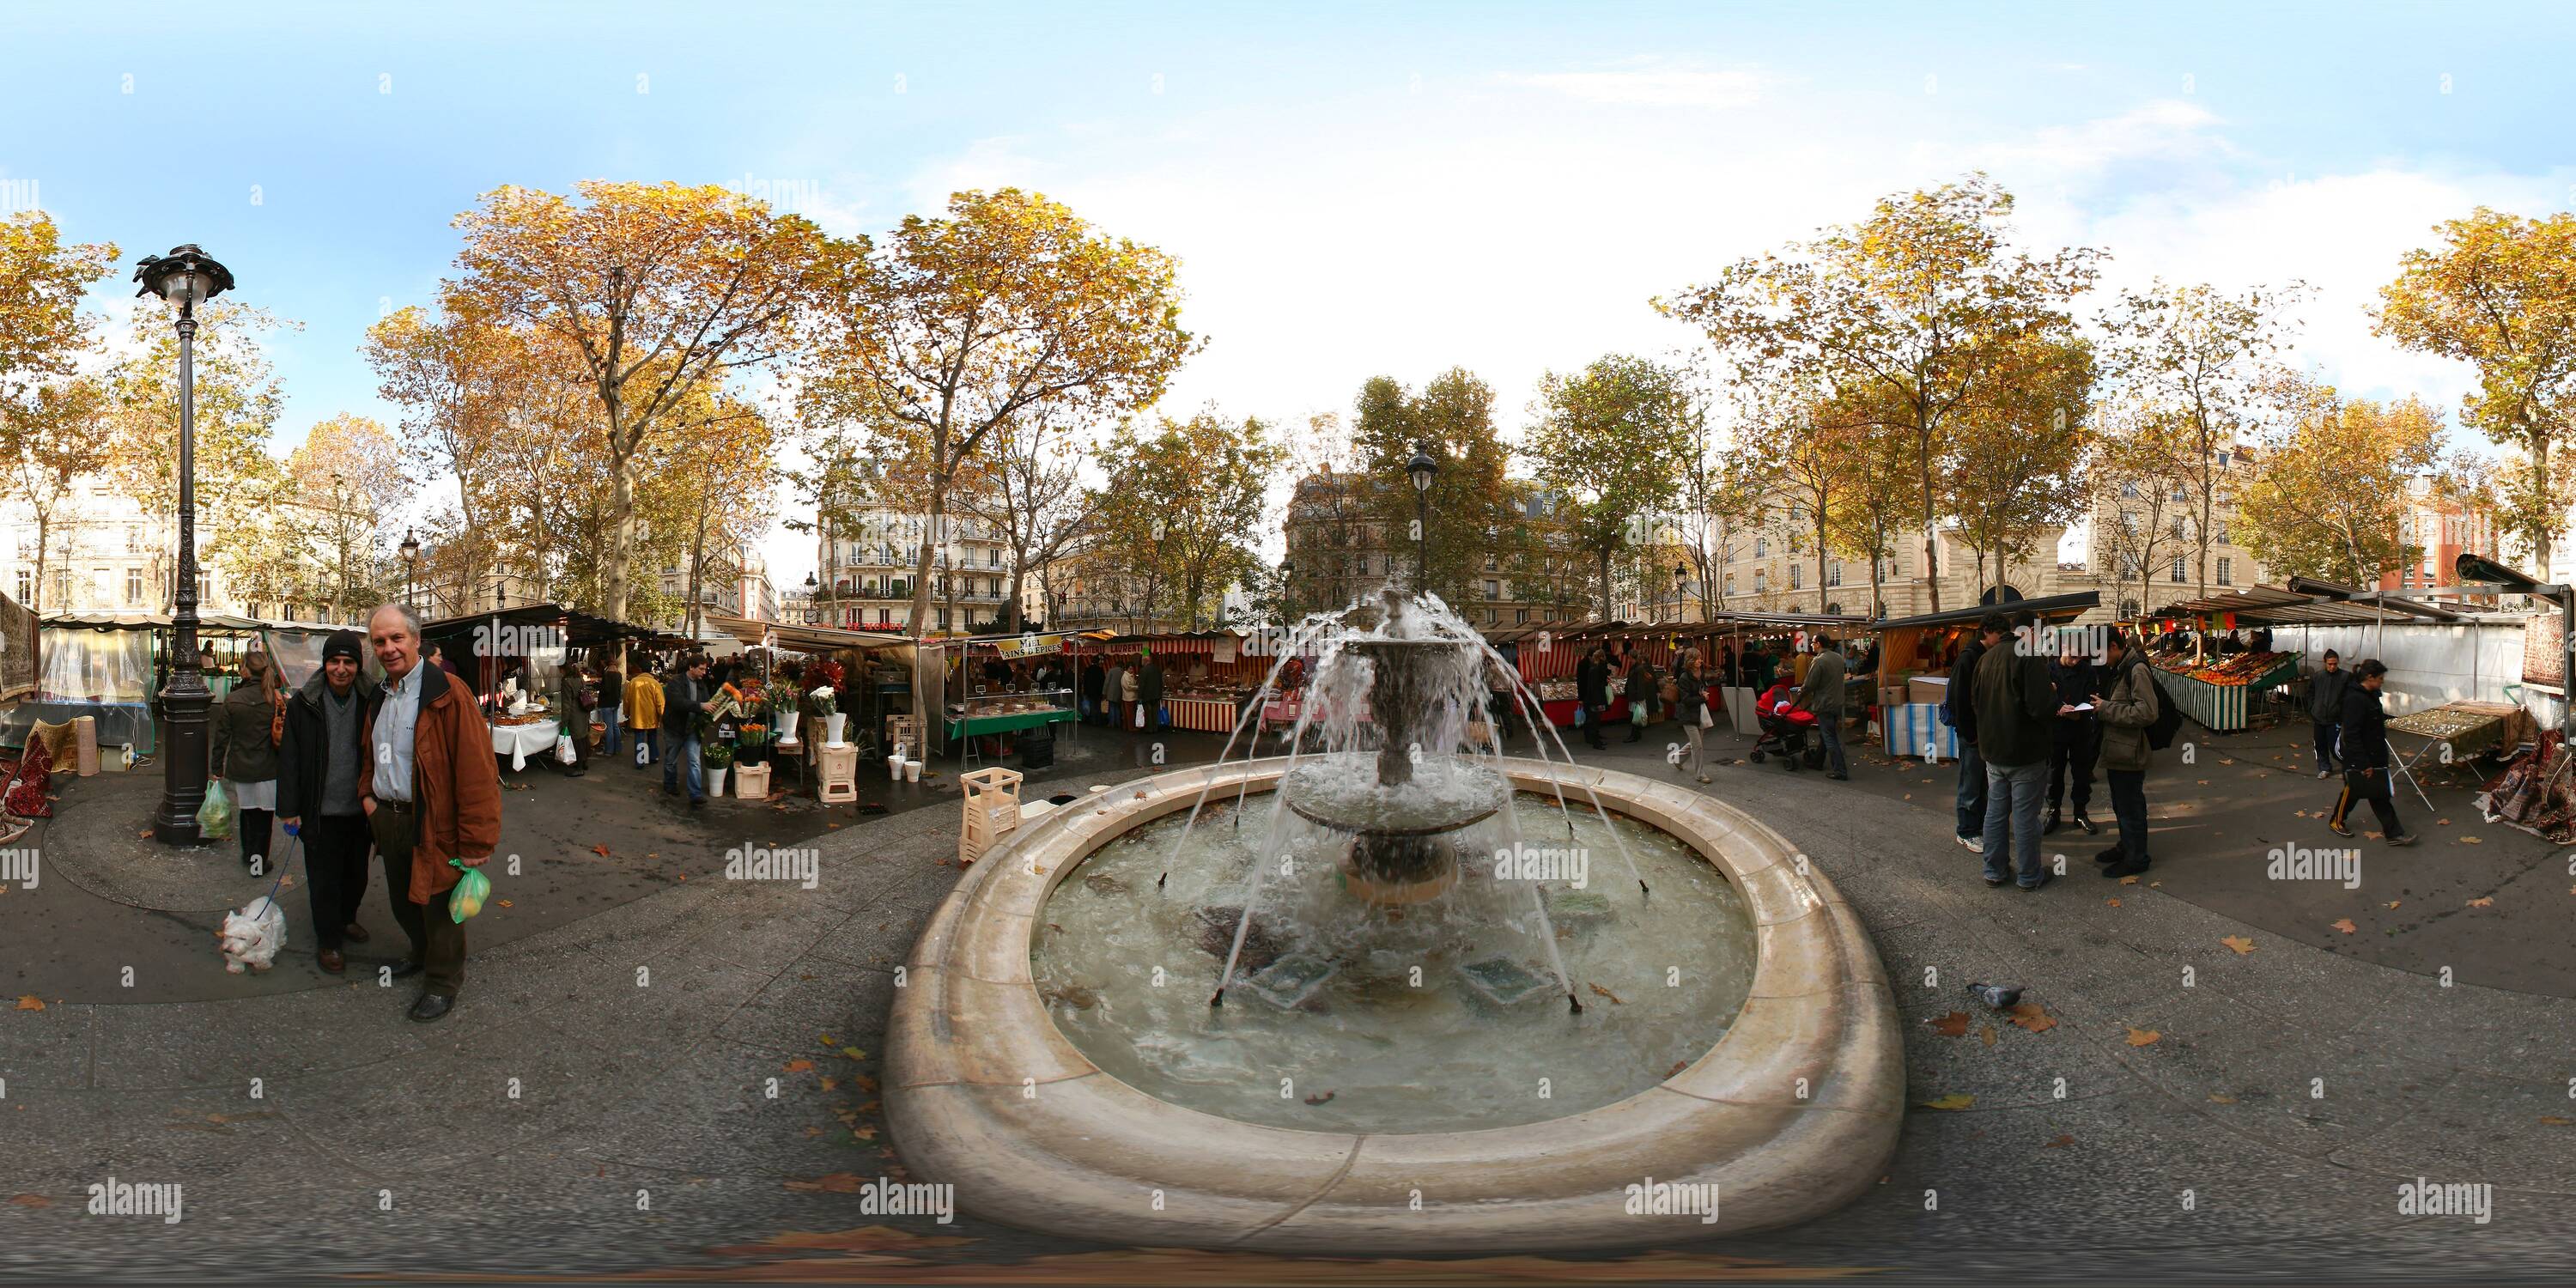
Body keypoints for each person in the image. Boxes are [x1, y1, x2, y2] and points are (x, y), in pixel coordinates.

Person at [360, 603, 501, 1023]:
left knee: (439, 907)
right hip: (389, 817)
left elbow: (477, 770)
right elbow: (370, 755)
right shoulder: (378, 693)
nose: (388, 648)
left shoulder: (448, 692)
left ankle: (442, 983)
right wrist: (368, 799)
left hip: (434, 822)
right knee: (405, 900)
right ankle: (419, 955)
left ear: (417, 640)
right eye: (379, 641)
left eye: (396, 638)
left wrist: (477, 840)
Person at [276, 629, 379, 975]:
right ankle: (329, 939)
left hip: (361, 810)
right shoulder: (303, 704)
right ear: (325, 665)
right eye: (334, 661)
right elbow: (290, 759)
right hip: (319, 812)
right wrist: (289, 809)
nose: (341, 669)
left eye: (348, 662)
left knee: (357, 875)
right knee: (324, 880)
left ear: (357, 666)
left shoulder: (373, 700)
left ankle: (347, 918)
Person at [1972, 611, 2057, 890]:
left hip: (1993, 751)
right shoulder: (2029, 657)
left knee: (1995, 813)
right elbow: (2041, 708)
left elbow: (1976, 703)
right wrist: (2052, 695)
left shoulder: (1986, 658)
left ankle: (1994, 871)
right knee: (2024, 816)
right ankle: (2029, 875)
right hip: (2025, 752)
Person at [2093, 629, 2163, 877]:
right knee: (2122, 804)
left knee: (2130, 806)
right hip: (2119, 749)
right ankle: (2127, 847)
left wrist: (2106, 708)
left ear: (2113, 646)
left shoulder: (2136, 669)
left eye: (2100, 652)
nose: (2099, 658)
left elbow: (2147, 713)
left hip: (2130, 751)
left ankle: (2137, 858)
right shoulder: (2122, 667)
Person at [210, 647, 285, 872]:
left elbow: (221, 737)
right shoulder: (276, 699)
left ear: (245, 671)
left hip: (241, 766)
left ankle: (249, 856)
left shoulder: (233, 699)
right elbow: (286, 735)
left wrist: (217, 767)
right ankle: (259, 863)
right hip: (268, 768)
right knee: (264, 819)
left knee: (247, 813)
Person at [2330, 659, 2417, 847]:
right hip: (2359, 757)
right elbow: (2351, 735)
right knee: (2357, 790)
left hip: (2372, 754)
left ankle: (2394, 834)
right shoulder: (2354, 699)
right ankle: (2337, 820)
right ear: (2369, 678)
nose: (2382, 681)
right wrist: (2363, 763)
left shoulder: (2370, 695)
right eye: (2380, 678)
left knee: (2377, 795)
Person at [1947, 623, 1995, 855]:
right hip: (1972, 734)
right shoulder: (1969, 658)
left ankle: (1976, 827)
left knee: (1980, 783)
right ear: (1987, 632)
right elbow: (1960, 700)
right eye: (1999, 634)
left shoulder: (1983, 655)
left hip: (1980, 732)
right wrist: (1970, 734)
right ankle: (1966, 831)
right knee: (1970, 783)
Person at [2045, 641, 2101, 835]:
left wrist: (2083, 708)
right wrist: (2058, 708)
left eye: (2080, 658)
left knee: (2081, 772)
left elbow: (2091, 694)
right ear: (2063, 650)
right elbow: (2044, 696)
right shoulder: (2049, 669)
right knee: (2055, 773)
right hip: (2057, 729)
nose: (2075, 661)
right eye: (2072, 656)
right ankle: (2053, 811)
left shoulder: (2087, 670)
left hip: (2081, 728)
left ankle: (2080, 812)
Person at [662, 655, 711, 807]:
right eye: (701, 669)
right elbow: (677, 703)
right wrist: (701, 706)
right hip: (675, 728)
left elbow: (706, 701)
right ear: (691, 667)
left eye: (705, 669)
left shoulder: (702, 684)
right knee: (671, 760)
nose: (704, 672)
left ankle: (695, 793)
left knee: (694, 761)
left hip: (692, 729)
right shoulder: (675, 682)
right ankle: (670, 785)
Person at [2307, 649, 2350, 780]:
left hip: (2335, 718)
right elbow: (2310, 693)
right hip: (2318, 717)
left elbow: (2350, 696)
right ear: (2324, 662)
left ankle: (2350, 765)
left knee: (2335, 748)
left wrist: (2343, 713)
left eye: (2335, 664)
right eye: (2330, 664)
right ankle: (2324, 768)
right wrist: (2312, 708)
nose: (2332, 667)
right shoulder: (2318, 676)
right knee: (2319, 745)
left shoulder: (2346, 677)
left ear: (2338, 663)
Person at [1672, 653, 1710, 784]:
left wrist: (1704, 693)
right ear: (1690, 661)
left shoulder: (1701, 672)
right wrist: (1702, 698)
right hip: (1687, 714)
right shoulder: (1684, 677)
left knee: (1696, 742)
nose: (1701, 660)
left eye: (1700, 657)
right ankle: (1700, 774)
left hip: (1699, 713)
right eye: (1698, 658)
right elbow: (1686, 700)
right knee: (1698, 745)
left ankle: (1677, 758)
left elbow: (1703, 687)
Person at [623, 653, 664, 767]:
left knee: (639, 737)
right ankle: (652, 757)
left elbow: (626, 699)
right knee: (652, 736)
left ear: (640, 669)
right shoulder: (655, 683)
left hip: (637, 715)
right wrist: (662, 715)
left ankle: (640, 761)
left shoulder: (633, 682)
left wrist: (626, 712)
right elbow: (660, 702)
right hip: (652, 716)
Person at [556, 656, 592, 776]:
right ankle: (584, 763)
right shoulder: (579, 677)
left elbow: (566, 704)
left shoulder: (566, 681)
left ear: (562, 668)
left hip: (574, 713)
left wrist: (564, 722)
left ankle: (579, 768)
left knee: (577, 740)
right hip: (583, 710)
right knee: (583, 737)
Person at [1577, 647, 1612, 750]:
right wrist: (1581, 698)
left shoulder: (1594, 667)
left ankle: (1595, 738)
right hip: (1594, 699)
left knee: (1595, 719)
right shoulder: (1592, 668)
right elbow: (1583, 683)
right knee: (1593, 719)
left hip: (1593, 698)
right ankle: (1592, 739)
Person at [1622, 651, 1656, 744]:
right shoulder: (1636, 667)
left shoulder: (1638, 668)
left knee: (1635, 715)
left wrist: (1638, 698)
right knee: (1635, 715)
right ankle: (1636, 734)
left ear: (1632, 657)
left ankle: (1634, 735)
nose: (1629, 660)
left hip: (1636, 697)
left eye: (1629, 658)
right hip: (1634, 695)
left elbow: (1640, 684)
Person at [600, 656, 626, 756]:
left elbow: (606, 689)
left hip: (607, 703)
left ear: (606, 663)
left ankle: (609, 750)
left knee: (609, 728)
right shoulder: (618, 674)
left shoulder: (607, 674)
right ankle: (618, 748)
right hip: (615, 703)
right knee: (615, 726)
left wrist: (598, 686)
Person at [1138, 653, 1166, 732]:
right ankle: (1155, 728)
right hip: (1156, 695)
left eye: (1143, 661)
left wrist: (1139, 697)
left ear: (1146, 661)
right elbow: (1161, 683)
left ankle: (1149, 729)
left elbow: (1142, 685)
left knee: (1148, 713)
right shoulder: (1158, 669)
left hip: (1147, 696)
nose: (1142, 662)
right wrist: (1160, 694)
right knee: (1155, 713)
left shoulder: (1143, 670)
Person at [1081, 655, 1107, 726]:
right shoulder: (1100, 670)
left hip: (1090, 692)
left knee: (1092, 706)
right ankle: (1099, 721)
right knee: (1098, 707)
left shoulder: (1088, 669)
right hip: (1098, 691)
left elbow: (1085, 681)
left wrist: (1085, 691)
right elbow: (1103, 681)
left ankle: (1093, 721)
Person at [1104, 657, 1127, 732]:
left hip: (1111, 693)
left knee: (1111, 708)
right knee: (1117, 708)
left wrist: (1104, 692)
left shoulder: (1111, 671)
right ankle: (1118, 723)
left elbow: (1107, 682)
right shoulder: (1123, 672)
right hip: (1119, 693)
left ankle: (1112, 723)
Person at [1119, 659, 1141, 731]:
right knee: (1129, 714)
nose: (1132, 670)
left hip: (1132, 697)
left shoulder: (1131, 675)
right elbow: (1128, 687)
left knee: (1131, 713)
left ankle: (1129, 727)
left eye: (1132, 668)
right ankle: (1130, 728)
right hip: (1128, 698)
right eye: (1130, 668)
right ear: (1127, 668)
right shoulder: (1125, 676)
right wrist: (1137, 687)